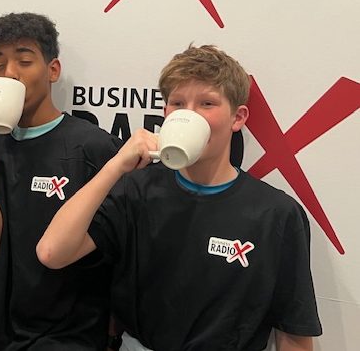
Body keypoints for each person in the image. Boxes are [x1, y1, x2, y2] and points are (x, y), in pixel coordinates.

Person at [37, 45, 322, 351]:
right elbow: (52, 252)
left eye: (207, 103)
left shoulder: (275, 213)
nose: (189, 115)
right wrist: (115, 165)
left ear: (237, 117)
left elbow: (293, 331)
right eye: (177, 103)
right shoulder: (136, 190)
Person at [0, 12, 124, 350]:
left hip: (70, 335)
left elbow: (122, 252)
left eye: (24, 61)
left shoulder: (94, 147)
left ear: (53, 70)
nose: (10, 73)